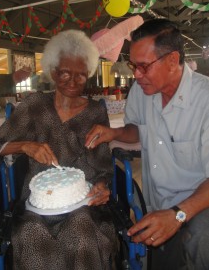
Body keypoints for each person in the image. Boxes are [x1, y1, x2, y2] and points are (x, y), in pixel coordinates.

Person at [0, 30, 118, 270]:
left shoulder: (96, 112)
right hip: (37, 204)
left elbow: (103, 167)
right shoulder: (35, 105)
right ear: (53, 71)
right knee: (30, 233)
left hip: (84, 204)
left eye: (81, 75)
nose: (73, 81)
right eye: (66, 72)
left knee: (80, 228)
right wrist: (24, 145)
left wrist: (102, 186)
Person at [86, 19, 209, 270]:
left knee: (200, 240)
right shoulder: (142, 92)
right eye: (133, 65)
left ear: (173, 60)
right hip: (159, 203)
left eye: (143, 66)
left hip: (199, 204)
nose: (136, 75)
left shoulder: (204, 101)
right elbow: (138, 130)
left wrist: (178, 215)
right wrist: (114, 132)